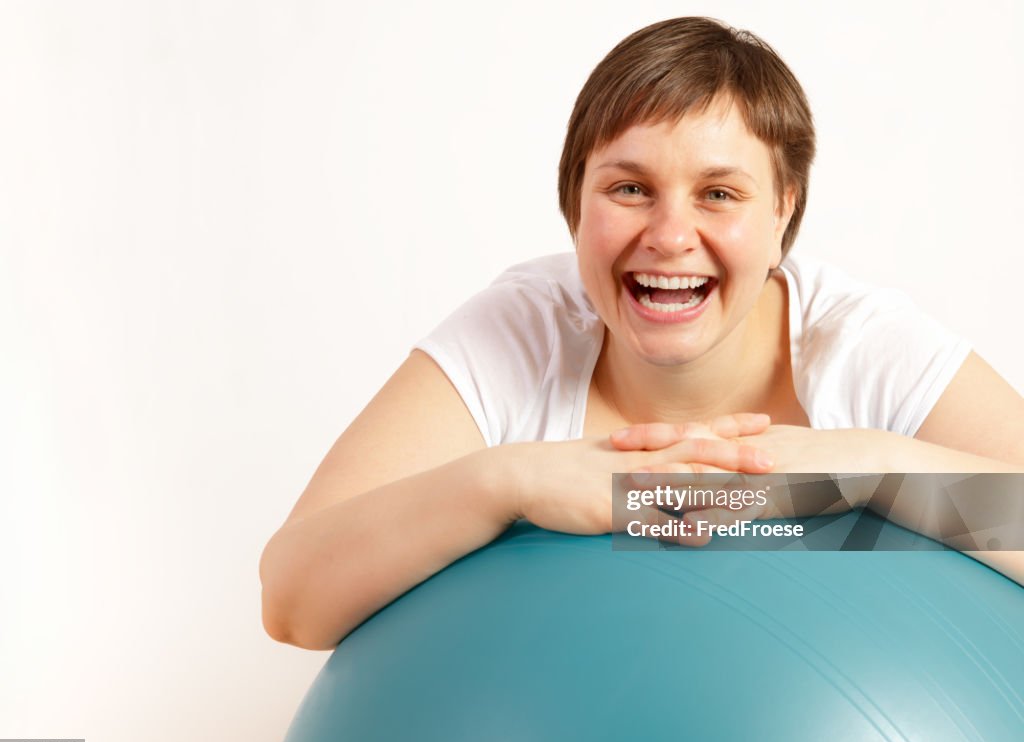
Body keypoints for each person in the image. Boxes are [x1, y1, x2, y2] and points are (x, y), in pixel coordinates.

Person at [259, 17, 1024, 651]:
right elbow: (291, 600)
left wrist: (867, 468)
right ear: (574, 202)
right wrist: (509, 482)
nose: (669, 235)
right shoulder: (518, 333)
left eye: (719, 193)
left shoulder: (861, 346)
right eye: (630, 189)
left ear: (783, 210)